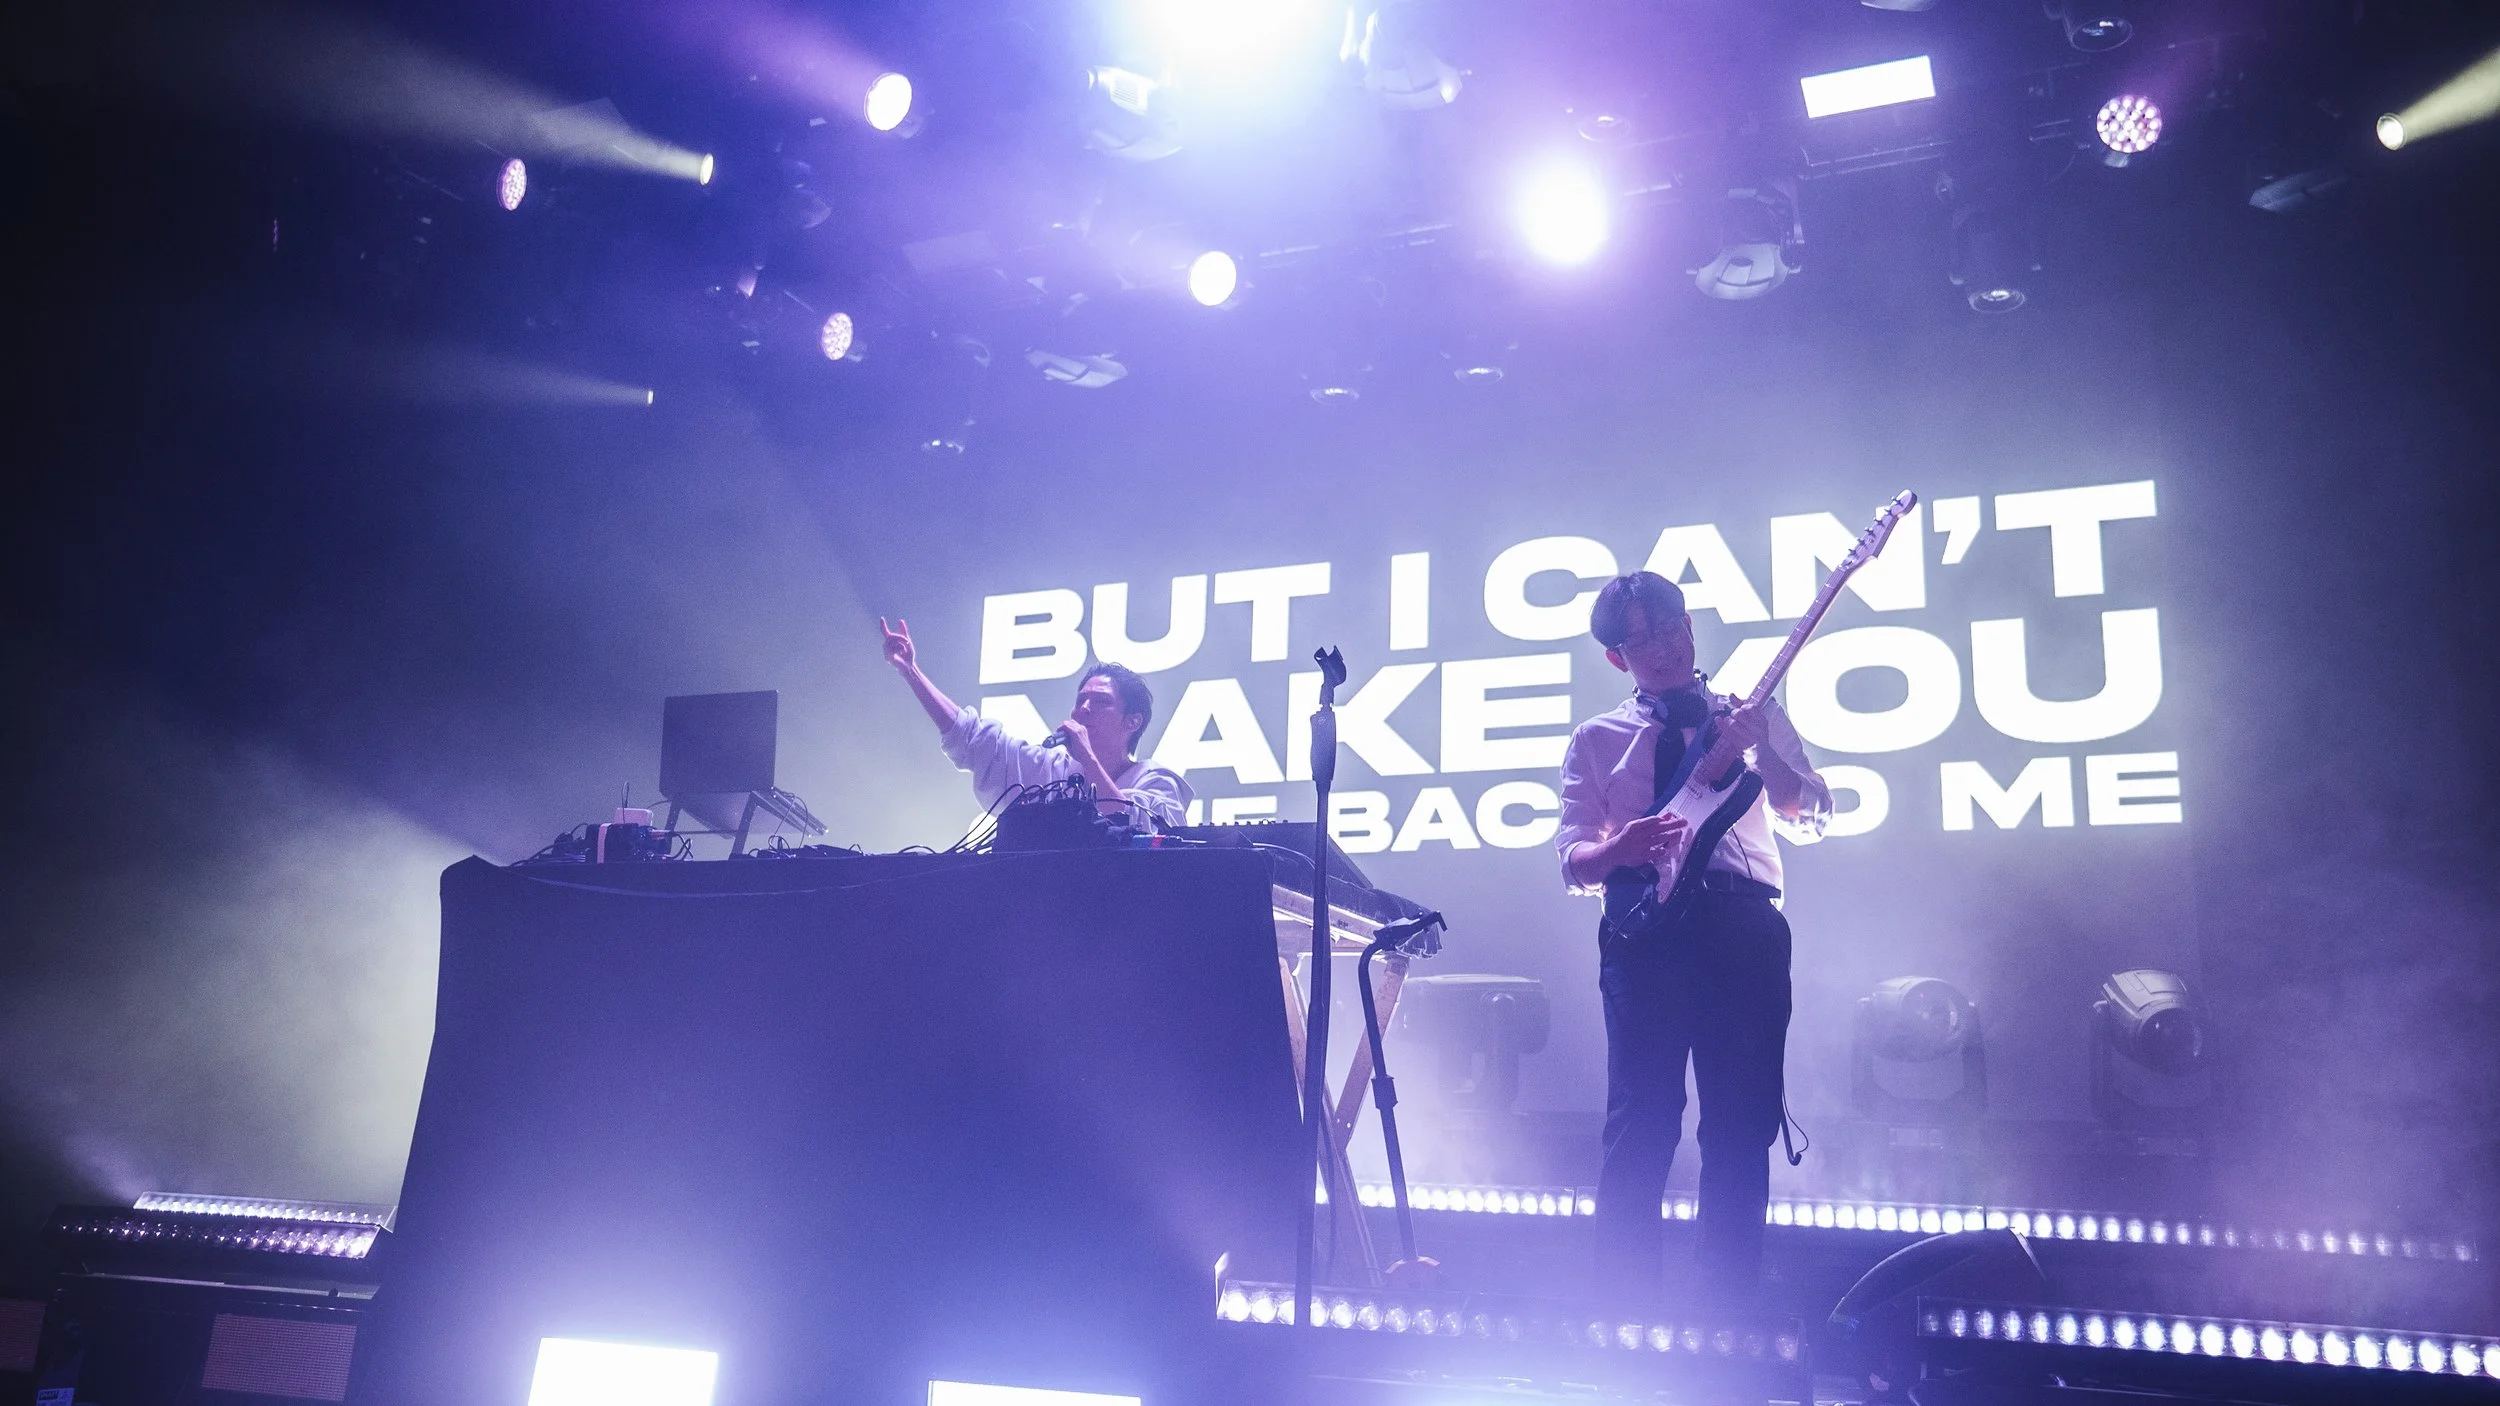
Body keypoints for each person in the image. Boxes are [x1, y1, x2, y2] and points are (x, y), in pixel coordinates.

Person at [1554, 571, 1832, 1307]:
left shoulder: (1751, 714)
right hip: (1644, 942)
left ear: (1690, 625)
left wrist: (1759, 752)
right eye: (1638, 640)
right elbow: (1572, 862)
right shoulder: (1597, 739)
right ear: (1617, 658)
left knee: (1740, 1127)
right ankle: (1622, 1315)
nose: (1661, 648)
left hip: (1745, 931)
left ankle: (1727, 1311)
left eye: (1669, 627)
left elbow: (1812, 813)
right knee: (1640, 1123)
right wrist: (1620, 848)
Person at [879, 616, 1190, 831]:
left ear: (1133, 721)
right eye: (1080, 699)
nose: (1083, 709)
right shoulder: (1050, 769)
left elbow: (1137, 829)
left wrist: (1089, 759)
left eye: (1100, 701)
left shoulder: (1157, 782)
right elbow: (972, 738)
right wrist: (910, 672)